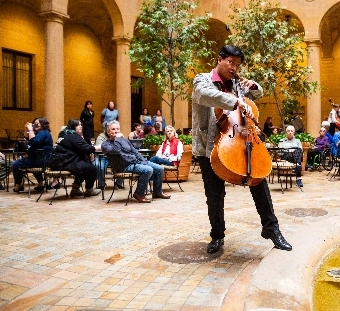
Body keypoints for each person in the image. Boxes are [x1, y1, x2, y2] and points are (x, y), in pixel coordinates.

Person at [192, 44, 292, 254]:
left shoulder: (237, 84)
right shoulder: (203, 80)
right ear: (219, 59)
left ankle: (272, 229)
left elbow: (256, 94)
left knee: (259, 181)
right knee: (215, 195)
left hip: (240, 139)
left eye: (237, 65)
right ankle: (217, 236)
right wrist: (236, 101)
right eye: (231, 62)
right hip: (210, 147)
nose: (234, 68)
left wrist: (253, 85)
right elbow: (205, 94)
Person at [101, 120, 170, 201]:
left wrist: (144, 161)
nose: (116, 131)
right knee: (148, 170)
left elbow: (135, 152)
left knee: (159, 169)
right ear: (108, 132)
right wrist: (117, 139)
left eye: (117, 129)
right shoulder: (105, 144)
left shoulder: (125, 141)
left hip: (136, 162)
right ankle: (139, 193)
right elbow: (116, 150)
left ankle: (157, 192)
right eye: (113, 129)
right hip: (124, 167)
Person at [49, 119, 102, 197]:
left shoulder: (64, 135)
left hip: (58, 163)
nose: (80, 126)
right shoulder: (73, 136)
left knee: (84, 167)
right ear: (73, 126)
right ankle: (89, 190)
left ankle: (75, 190)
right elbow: (86, 148)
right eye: (78, 125)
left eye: (81, 125)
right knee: (92, 168)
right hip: (65, 163)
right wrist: (99, 147)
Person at [11, 117, 53, 193]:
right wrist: (26, 130)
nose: (35, 125)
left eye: (38, 123)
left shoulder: (42, 133)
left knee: (15, 164)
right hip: (41, 159)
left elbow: (34, 142)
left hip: (40, 160)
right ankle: (41, 184)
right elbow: (27, 138)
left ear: (43, 124)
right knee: (30, 163)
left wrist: (30, 130)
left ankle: (18, 186)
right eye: (34, 123)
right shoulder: (42, 133)